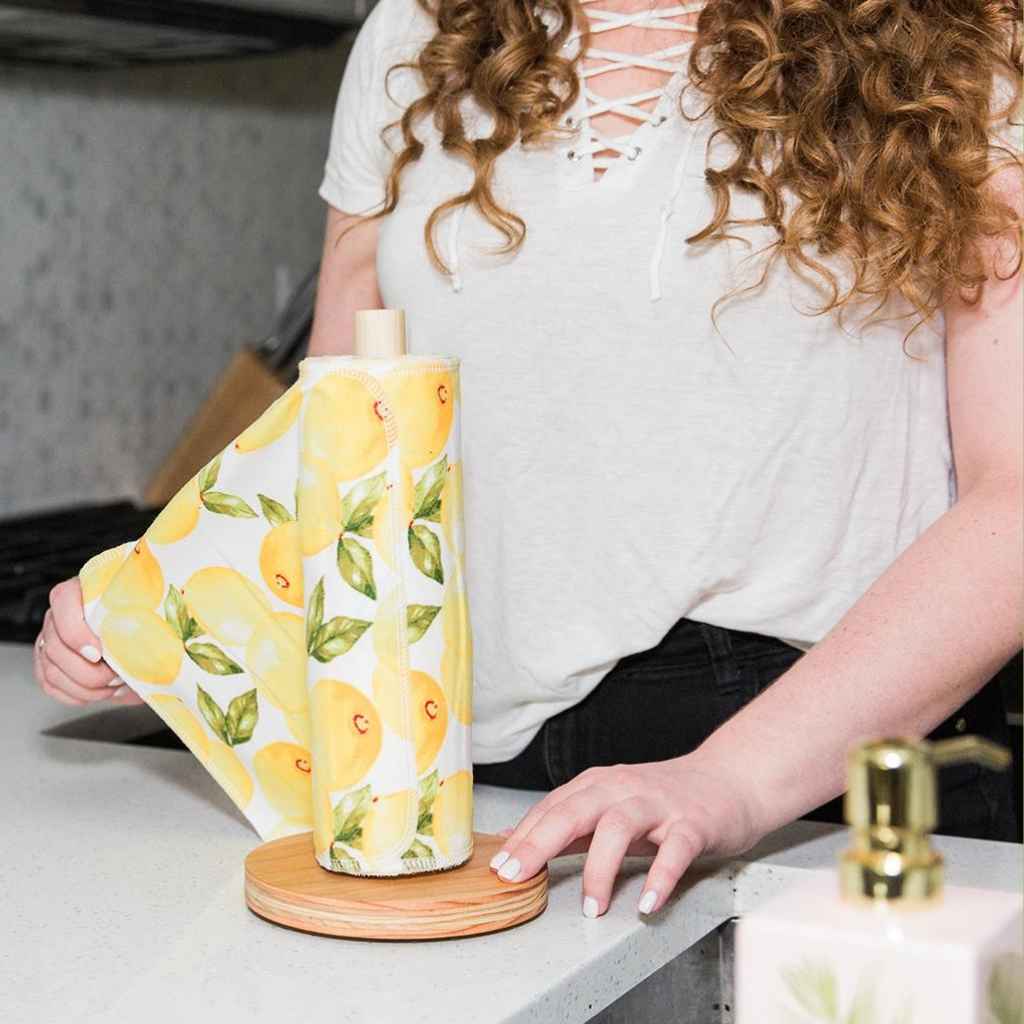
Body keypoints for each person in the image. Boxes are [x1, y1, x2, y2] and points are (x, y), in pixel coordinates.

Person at [35, 0, 1023, 919]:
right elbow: (342, 440)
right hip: (463, 770)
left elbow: (1011, 500)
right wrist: (173, 605)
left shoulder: (953, 41)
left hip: (825, 767)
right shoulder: (416, 29)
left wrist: (731, 778)